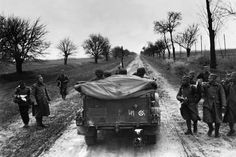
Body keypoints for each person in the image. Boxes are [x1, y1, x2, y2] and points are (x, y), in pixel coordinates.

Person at [223, 72, 236, 136]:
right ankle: (232, 130)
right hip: (230, 104)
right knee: (230, 119)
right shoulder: (230, 85)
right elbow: (225, 90)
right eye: (231, 77)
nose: (232, 78)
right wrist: (226, 82)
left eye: (233, 77)